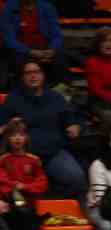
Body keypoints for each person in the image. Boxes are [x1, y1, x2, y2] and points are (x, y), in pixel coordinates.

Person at [0, 59, 85, 197]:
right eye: (28, 73)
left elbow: (72, 118)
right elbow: (1, 127)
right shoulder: (13, 99)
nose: (33, 76)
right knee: (17, 189)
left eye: (36, 72)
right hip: (22, 157)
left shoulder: (56, 97)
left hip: (54, 153)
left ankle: (56, 206)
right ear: (22, 77)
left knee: (77, 179)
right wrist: (9, 126)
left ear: (43, 75)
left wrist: (75, 126)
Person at [0, 120, 45, 230]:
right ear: (7, 139)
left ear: (26, 138)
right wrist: (15, 188)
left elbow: (41, 183)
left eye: (21, 135)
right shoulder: (3, 160)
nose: (17, 138)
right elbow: (2, 181)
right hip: (9, 203)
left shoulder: (34, 160)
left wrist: (24, 187)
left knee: (25, 213)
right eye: (13, 135)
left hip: (29, 203)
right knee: (19, 208)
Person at [0, 0, 67, 85]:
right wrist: (29, 51)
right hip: (21, 48)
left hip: (45, 46)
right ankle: (23, 93)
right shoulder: (9, 8)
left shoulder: (47, 7)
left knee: (60, 56)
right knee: (17, 58)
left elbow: (56, 34)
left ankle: (63, 92)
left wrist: (52, 49)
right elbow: (9, 39)